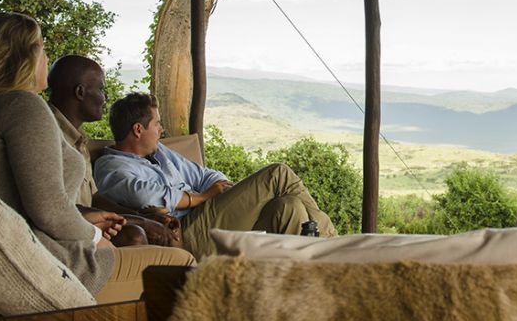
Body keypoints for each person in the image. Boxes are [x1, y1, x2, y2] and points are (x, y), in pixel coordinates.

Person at [0, 12, 194, 303]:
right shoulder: (22, 106)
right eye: (42, 48)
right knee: (184, 266)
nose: (46, 58)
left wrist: (90, 220)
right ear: (23, 56)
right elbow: (49, 210)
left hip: (25, 256)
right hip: (50, 266)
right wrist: (96, 238)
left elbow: (26, 202)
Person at [94, 92, 336, 258]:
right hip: (186, 233)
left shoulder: (160, 152)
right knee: (278, 174)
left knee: (289, 206)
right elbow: (144, 195)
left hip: (210, 218)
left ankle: (305, 278)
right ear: (138, 130)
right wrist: (202, 197)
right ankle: (336, 249)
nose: (161, 129)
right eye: (157, 124)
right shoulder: (111, 166)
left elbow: (203, 175)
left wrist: (224, 193)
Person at [46, 55, 180, 248]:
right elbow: (58, 209)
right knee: (135, 235)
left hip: (88, 222)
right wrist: (141, 222)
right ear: (80, 92)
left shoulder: (77, 139)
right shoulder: (49, 136)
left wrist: (141, 216)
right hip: (67, 237)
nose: (105, 97)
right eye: (101, 89)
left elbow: (94, 197)